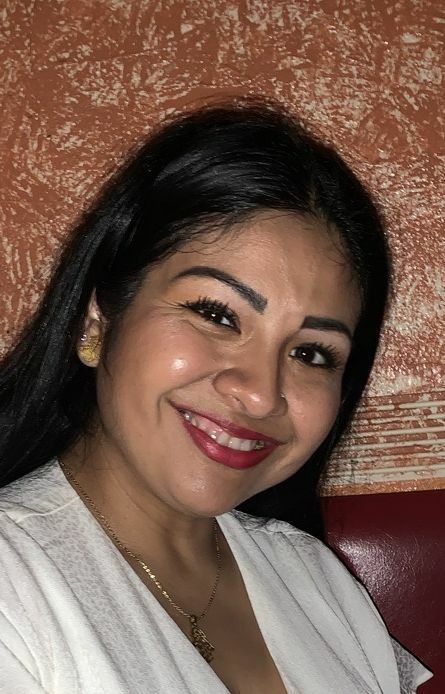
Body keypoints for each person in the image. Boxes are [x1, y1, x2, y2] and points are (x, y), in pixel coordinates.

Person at [0, 97, 432, 693]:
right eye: (216, 314)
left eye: (311, 353)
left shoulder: (314, 580)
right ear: (97, 321)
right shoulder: (15, 587)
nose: (260, 394)